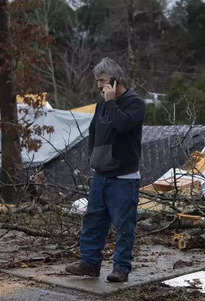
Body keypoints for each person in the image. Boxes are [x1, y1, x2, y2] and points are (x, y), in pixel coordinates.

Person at [65, 57, 145, 282]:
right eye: (97, 80)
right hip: (101, 174)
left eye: (102, 80)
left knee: (124, 224)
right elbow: (93, 131)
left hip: (124, 177)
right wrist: (94, 157)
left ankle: (121, 268)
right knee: (94, 221)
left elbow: (122, 126)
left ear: (115, 80)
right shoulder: (101, 104)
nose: (99, 85)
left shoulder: (134, 103)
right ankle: (89, 263)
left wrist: (111, 103)